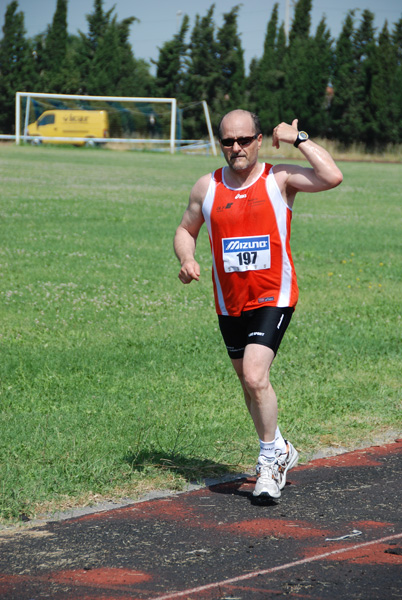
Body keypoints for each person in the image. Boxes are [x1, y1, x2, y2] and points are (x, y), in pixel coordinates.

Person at [174, 110, 343, 499]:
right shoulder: (207, 187)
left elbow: (332, 176)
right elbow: (186, 229)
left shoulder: (279, 178)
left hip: (274, 295)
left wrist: (299, 137)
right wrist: (187, 258)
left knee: (254, 375)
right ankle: (281, 446)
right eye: (228, 142)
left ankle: (269, 462)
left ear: (259, 139)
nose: (236, 148)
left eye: (244, 140)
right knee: (249, 386)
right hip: (229, 301)